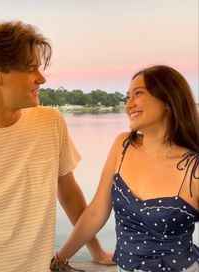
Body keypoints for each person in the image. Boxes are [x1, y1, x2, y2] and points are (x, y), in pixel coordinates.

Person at [0, 20, 113, 272]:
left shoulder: (50, 121)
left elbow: (68, 191)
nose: (41, 78)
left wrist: (96, 250)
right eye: (30, 68)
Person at [51, 65, 199, 272]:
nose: (128, 105)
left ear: (168, 100)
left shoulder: (194, 169)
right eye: (127, 96)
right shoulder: (123, 146)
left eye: (138, 94)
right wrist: (59, 259)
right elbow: (96, 213)